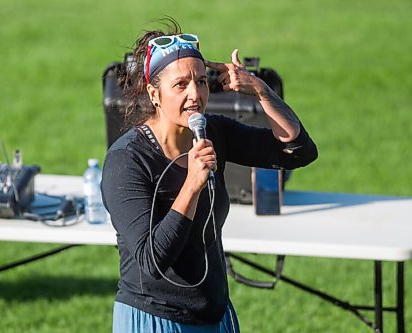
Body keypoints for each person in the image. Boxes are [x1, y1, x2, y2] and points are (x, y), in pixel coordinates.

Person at [101, 19, 318, 333]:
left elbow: (298, 151)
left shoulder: (213, 131)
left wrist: (260, 90)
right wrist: (192, 184)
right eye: (181, 84)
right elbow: (151, 262)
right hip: (155, 319)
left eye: (201, 81)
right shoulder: (127, 160)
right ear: (154, 93)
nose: (195, 94)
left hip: (215, 314)